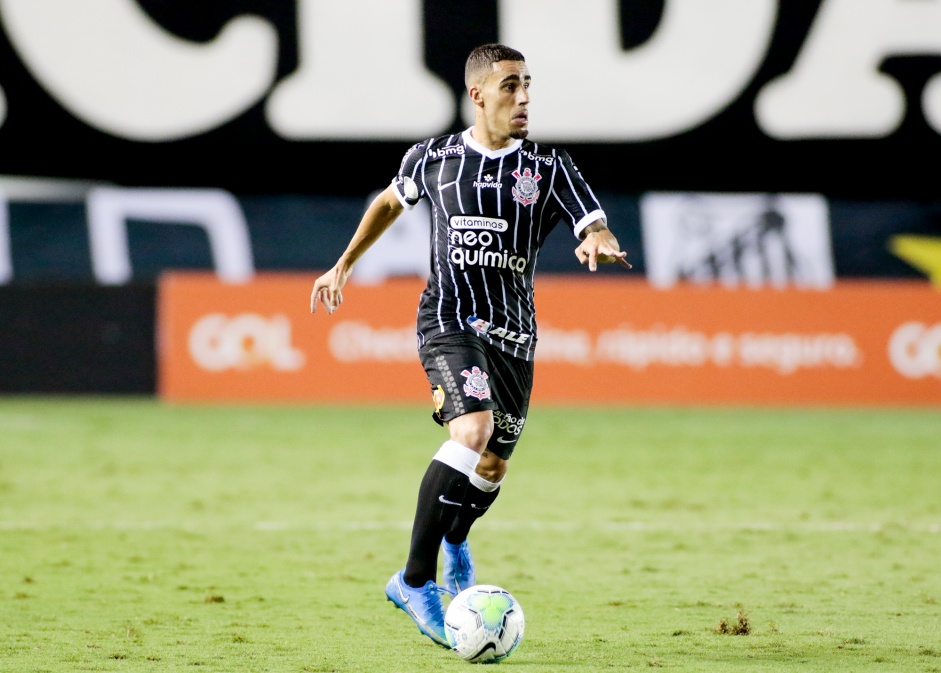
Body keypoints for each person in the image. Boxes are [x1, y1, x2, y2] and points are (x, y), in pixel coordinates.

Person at [310, 43, 630, 648]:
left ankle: (456, 539)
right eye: (511, 86)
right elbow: (387, 202)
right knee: (472, 432)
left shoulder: (549, 167)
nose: (525, 98)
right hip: (449, 321)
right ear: (478, 93)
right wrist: (343, 265)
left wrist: (598, 241)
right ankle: (412, 581)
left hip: (515, 334)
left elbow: (592, 221)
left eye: (529, 85)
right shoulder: (433, 158)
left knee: (492, 463)